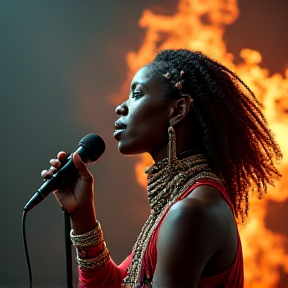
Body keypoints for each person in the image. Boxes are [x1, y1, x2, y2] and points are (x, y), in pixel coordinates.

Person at [42, 49, 282, 288]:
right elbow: (114, 284)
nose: (120, 107)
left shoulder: (190, 213)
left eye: (136, 94)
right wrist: (82, 215)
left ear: (178, 111)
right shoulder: (179, 206)